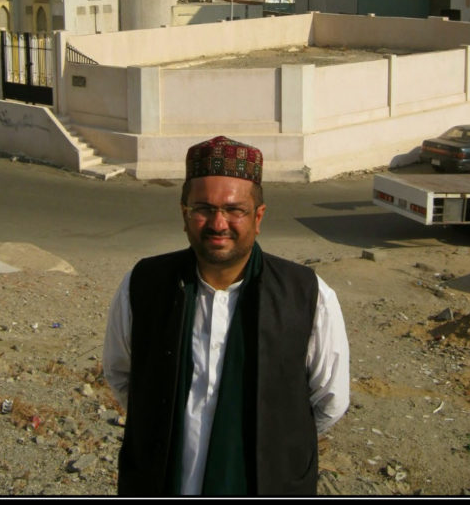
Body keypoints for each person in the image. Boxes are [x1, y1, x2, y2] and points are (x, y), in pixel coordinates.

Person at [103, 135, 349, 497]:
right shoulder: (143, 285)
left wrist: (274, 446)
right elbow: (122, 376)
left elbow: (330, 401)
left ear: (258, 217)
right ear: (184, 214)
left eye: (235, 210)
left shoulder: (308, 296)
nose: (218, 224)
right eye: (203, 208)